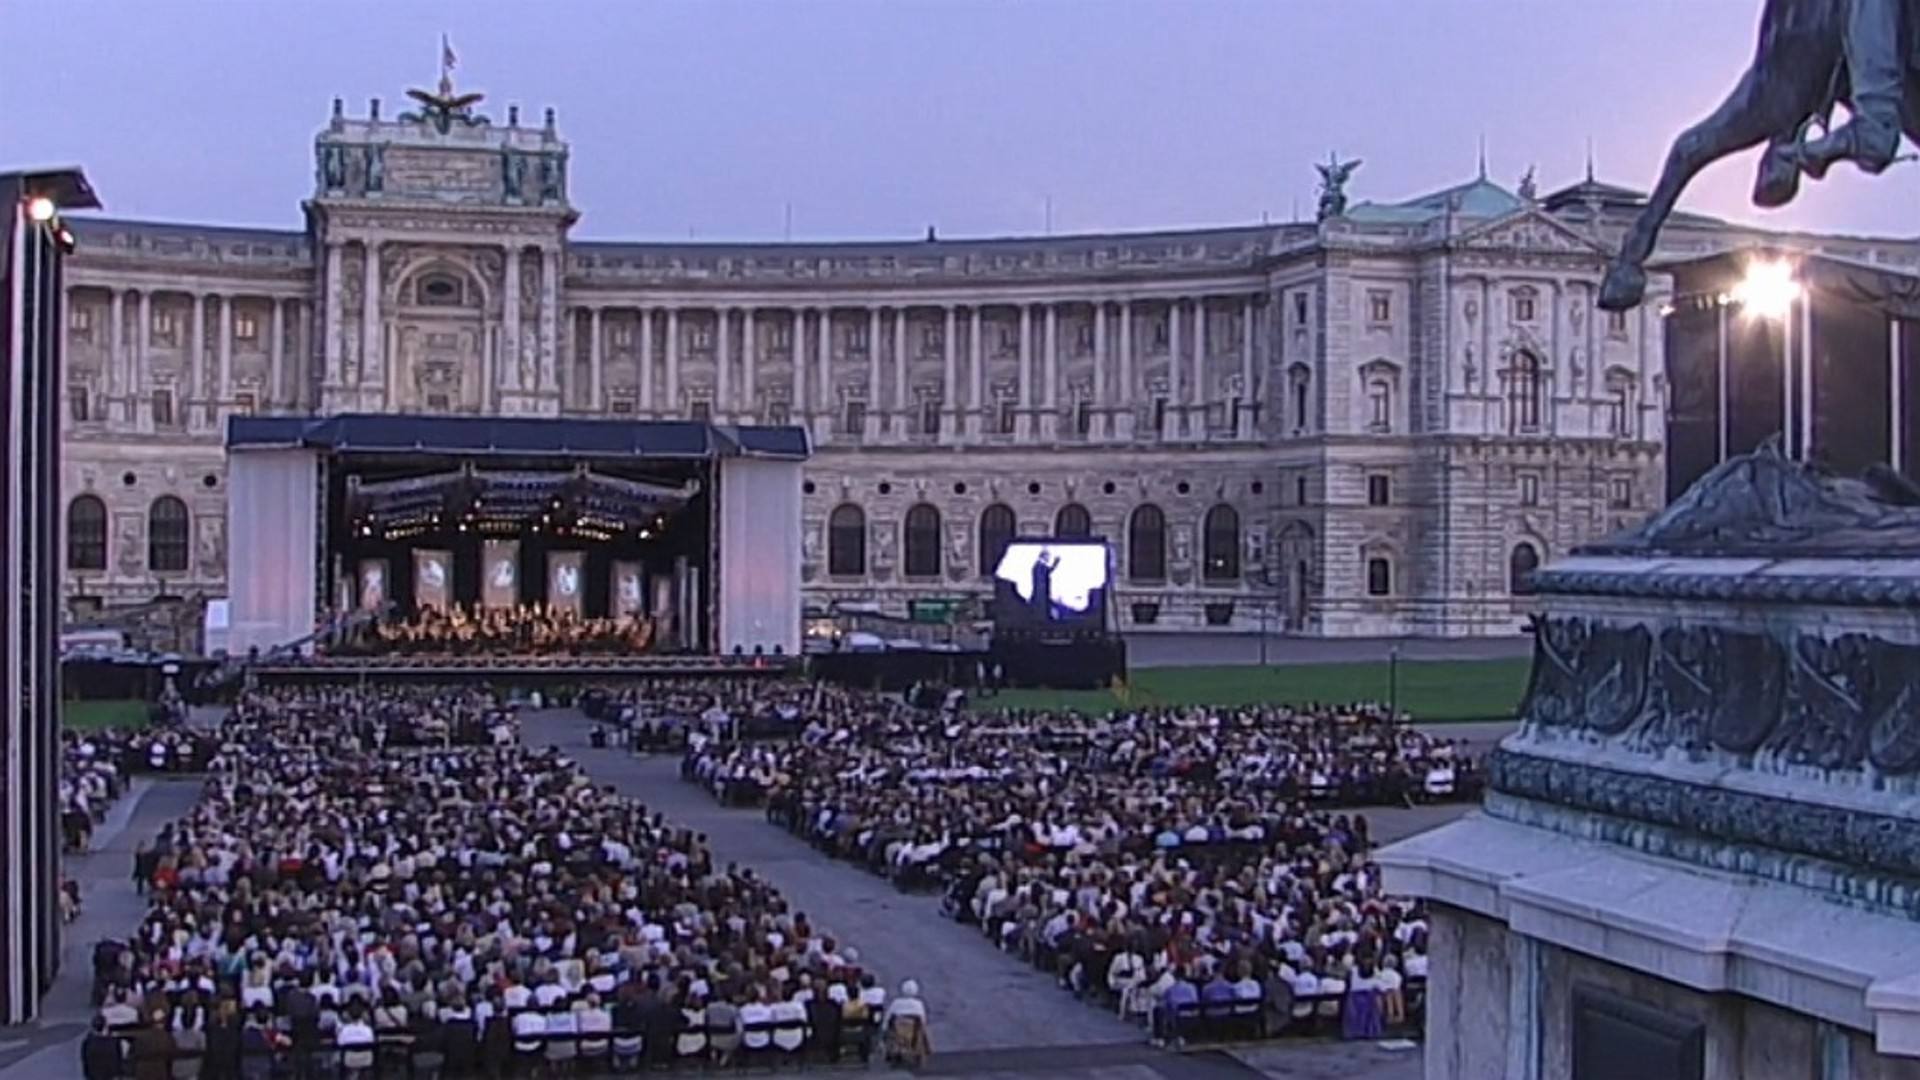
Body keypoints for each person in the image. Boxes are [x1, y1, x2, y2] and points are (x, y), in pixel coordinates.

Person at [81, 1015, 124, 1080]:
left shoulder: (87, 1043)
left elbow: (84, 1061)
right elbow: (120, 1059)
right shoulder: (114, 1042)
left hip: (93, 1076)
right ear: (105, 1027)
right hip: (111, 1076)